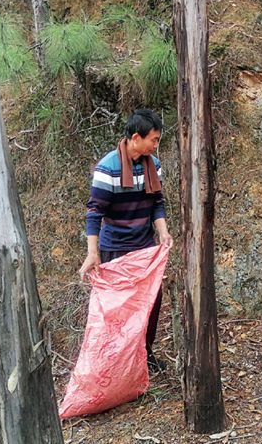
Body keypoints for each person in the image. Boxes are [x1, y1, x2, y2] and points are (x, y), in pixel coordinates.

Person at [79, 108, 174, 373]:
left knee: (152, 301)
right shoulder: (107, 168)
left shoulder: (152, 166)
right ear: (136, 138)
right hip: (115, 249)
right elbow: (94, 211)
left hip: (144, 246)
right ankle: (116, 362)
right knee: (118, 308)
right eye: (153, 140)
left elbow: (157, 203)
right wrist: (92, 252)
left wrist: (163, 232)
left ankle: (144, 353)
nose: (156, 145)